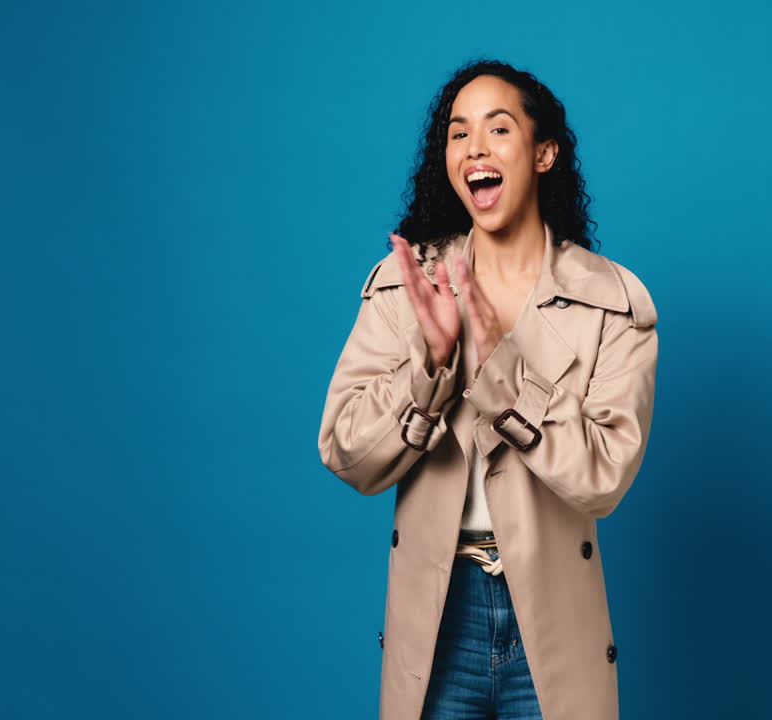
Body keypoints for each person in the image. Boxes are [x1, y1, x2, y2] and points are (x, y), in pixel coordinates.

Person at [317, 58, 658, 720]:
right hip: (439, 613)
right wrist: (431, 367)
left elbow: (606, 476)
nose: (475, 147)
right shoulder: (406, 286)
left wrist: (501, 374)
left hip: (553, 616)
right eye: (458, 132)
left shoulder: (611, 302)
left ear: (544, 153)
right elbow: (345, 450)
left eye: (498, 129)